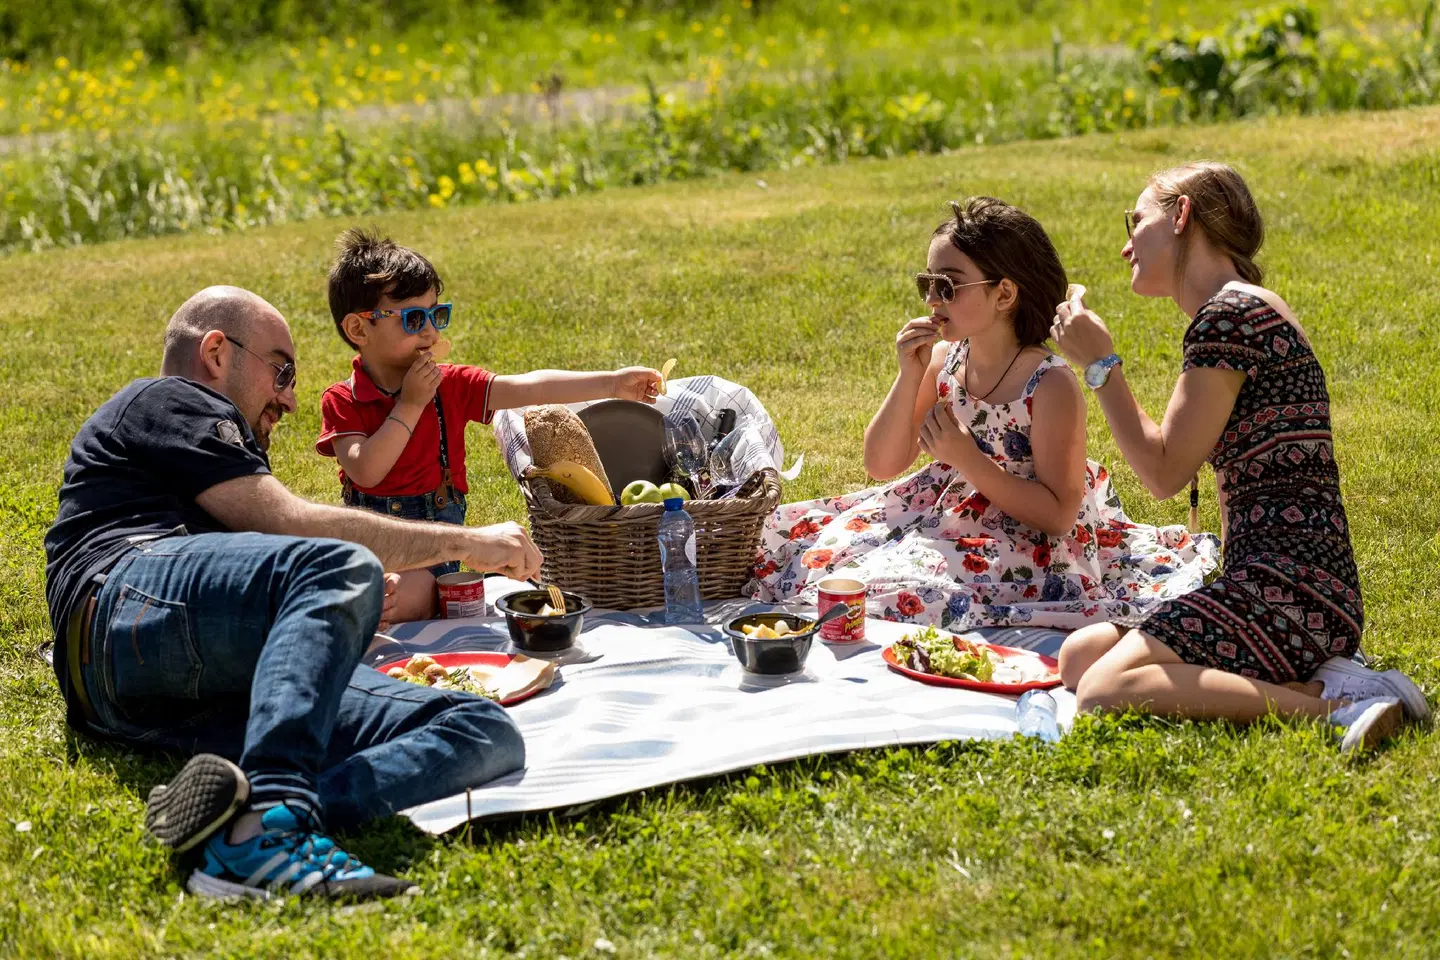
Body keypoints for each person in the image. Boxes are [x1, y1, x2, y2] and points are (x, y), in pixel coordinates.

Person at [44, 285, 543, 901]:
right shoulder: (168, 399)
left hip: (177, 691)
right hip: (120, 606)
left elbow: (263, 568)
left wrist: (332, 618)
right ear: (218, 353)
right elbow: (289, 527)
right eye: (282, 371)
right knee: (339, 565)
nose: (290, 398)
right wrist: (464, 542)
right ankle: (270, 828)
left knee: (480, 731)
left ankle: (243, 815)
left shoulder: (217, 452)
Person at [1050, 161, 1427, 751]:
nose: (1126, 246)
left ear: (1181, 216)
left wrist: (1100, 366)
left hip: (1293, 591)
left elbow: (1164, 471)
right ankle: (1325, 675)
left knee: (1102, 689)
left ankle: (1337, 706)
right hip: (1299, 587)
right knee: (1080, 656)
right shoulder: (1247, 306)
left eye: (1137, 220)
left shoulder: (1227, 317)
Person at [745, 197, 1218, 629]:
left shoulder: (1050, 384)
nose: (932, 300)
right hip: (948, 509)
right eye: (927, 284)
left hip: (1025, 536)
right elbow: (881, 463)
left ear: (1005, 295)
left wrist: (967, 459)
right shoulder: (945, 359)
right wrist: (908, 376)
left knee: (907, 588)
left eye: (948, 286)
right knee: (797, 545)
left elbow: (1057, 515)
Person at [317, 229, 662, 622]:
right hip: (374, 547)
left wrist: (612, 383)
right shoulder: (343, 400)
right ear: (359, 329)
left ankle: (391, 604)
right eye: (414, 319)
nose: (431, 331)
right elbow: (366, 470)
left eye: (437, 314)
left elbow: (531, 386)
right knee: (374, 585)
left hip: (439, 559)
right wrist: (411, 404)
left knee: (413, 590)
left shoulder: (451, 384)